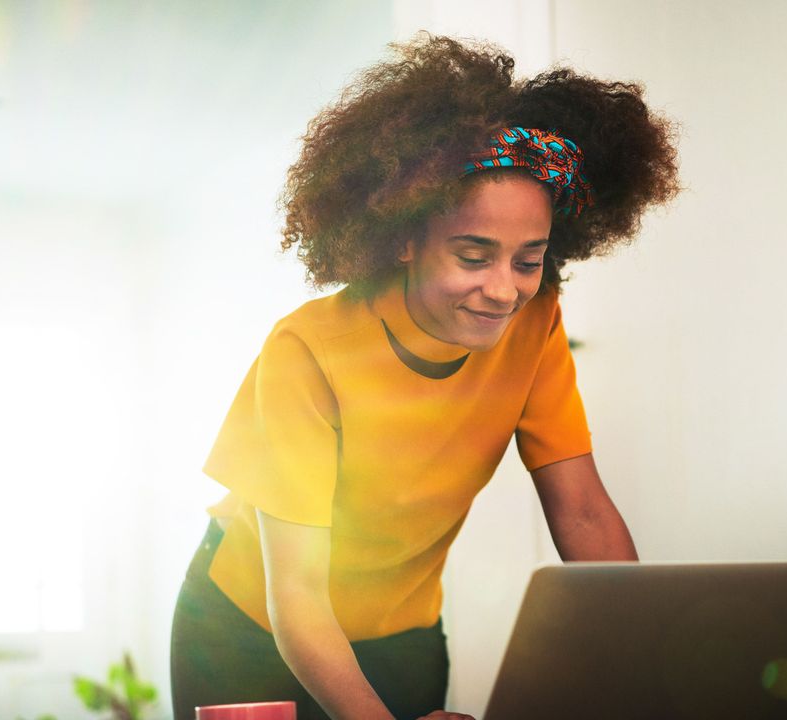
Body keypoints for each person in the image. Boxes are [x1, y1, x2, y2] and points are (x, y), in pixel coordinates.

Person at [170, 33, 680, 720]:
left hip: (402, 635)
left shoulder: (535, 326)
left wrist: (651, 666)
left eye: (528, 260)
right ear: (405, 238)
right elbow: (295, 596)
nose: (504, 290)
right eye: (474, 255)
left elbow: (583, 511)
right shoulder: (308, 352)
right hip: (248, 632)